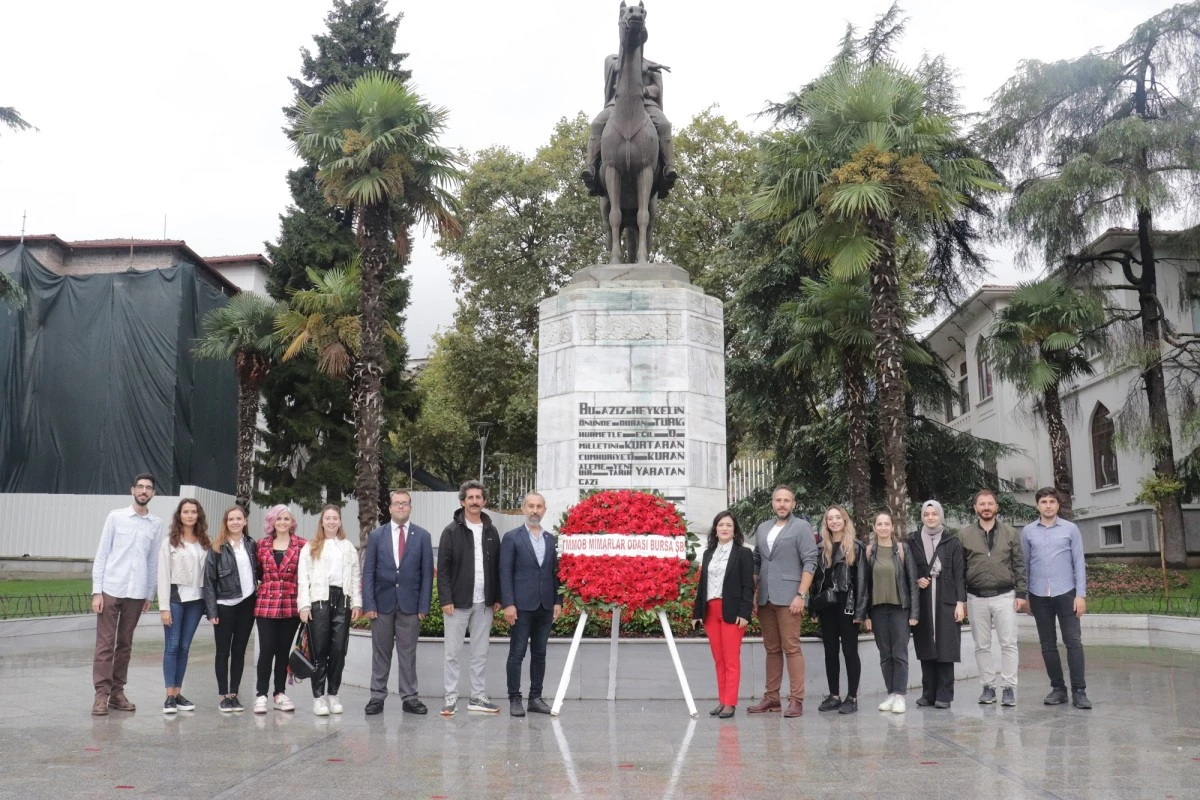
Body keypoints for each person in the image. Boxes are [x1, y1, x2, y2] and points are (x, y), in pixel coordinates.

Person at [91, 473, 165, 716]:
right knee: (105, 645)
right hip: (111, 588)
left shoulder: (156, 524)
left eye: (149, 488)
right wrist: (97, 592)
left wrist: (149, 594)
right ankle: (101, 695)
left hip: (136, 592)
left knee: (125, 645)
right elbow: (102, 554)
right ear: (132, 490)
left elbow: (153, 560)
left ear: (153, 493)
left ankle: (117, 693)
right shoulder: (116, 517)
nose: (144, 491)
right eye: (140, 487)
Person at [748, 485, 818, 718]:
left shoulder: (801, 527)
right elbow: (757, 561)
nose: (782, 504)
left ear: (793, 504)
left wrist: (801, 594)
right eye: (778, 500)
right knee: (772, 649)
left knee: (792, 647)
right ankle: (771, 698)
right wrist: (752, 591)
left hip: (790, 598)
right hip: (766, 597)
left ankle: (796, 699)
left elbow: (810, 561)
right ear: (772, 503)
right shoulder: (763, 528)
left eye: (786, 500)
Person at [363, 489, 433, 716]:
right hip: (381, 605)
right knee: (380, 653)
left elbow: (426, 574)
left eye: (405, 503)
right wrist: (369, 604)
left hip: (410, 606)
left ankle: (410, 697)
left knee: (407, 653)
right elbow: (368, 572)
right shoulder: (376, 536)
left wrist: (423, 606)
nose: (401, 507)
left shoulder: (422, 536)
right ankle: (377, 696)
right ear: (390, 508)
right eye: (397, 503)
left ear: (410, 507)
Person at [1021, 487, 1090, 709]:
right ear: (1037, 506)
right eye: (1044, 502)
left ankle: (1079, 691)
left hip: (1066, 593)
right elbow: (1025, 565)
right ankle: (1058, 689)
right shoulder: (1028, 532)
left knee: (1073, 642)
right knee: (1047, 644)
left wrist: (1080, 595)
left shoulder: (1071, 529)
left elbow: (1079, 563)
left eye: (1052, 501)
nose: (1048, 505)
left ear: (1058, 506)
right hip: (1039, 595)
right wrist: (1026, 596)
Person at [437, 480, 502, 716]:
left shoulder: (492, 531)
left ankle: (477, 697)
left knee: (480, 653)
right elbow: (442, 569)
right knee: (452, 653)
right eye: (470, 497)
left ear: (484, 501)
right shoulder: (451, 531)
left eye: (478, 497)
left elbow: (497, 567)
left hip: (484, 603)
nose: (475, 501)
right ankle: (451, 698)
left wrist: (497, 597)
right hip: (457, 603)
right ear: (463, 501)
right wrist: (446, 599)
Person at [958, 489, 1026, 706]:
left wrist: (1022, 593)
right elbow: (960, 569)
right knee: (982, 645)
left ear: (997, 507)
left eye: (990, 504)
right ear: (975, 508)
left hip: (1004, 596)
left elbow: (1019, 564)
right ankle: (988, 687)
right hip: (975, 597)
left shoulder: (1010, 533)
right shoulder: (965, 534)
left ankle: (1008, 688)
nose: (986, 507)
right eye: (981, 504)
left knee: (1008, 644)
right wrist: (962, 599)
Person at [500, 492, 562, 717]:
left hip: (545, 605)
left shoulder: (550, 538)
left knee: (540, 653)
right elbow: (505, 572)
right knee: (517, 653)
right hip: (521, 606)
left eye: (539, 506)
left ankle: (535, 698)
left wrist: (558, 600)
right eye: (531, 506)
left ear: (544, 510)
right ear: (523, 509)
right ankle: (515, 699)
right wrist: (508, 603)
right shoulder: (511, 537)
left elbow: (555, 572)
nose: (535, 510)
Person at [298, 505, 363, 717]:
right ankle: (319, 697)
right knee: (320, 650)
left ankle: (333, 693)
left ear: (340, 522)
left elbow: (355, 577)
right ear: (322, 521)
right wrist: (304, 605)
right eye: (328, 518)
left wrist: (356, 603)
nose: (332, 522)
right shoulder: (311, 547)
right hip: (319, 602)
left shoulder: (347, 547)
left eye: (335, 518)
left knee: (338, 651)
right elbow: (303, 579)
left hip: (341, 601)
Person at [691, 510, 754, 719]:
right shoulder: (708, 553)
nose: (724, 528)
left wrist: (745, 613)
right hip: (710, 612)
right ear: (715, 529)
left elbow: (748, 586)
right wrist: (697, 613)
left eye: (728, 525)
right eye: (720, 525)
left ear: (734, 530)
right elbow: (702, 585)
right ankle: (722, 700)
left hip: (733, 612)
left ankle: (730, 702)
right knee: (718, 659)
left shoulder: (743, 553)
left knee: (731, 659)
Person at [909, 500, 966, 709]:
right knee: (926, 645)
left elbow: (960, 574)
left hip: (947, 598)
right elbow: (909, 569)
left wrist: (961, 603)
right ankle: (928, 694)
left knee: (945, 646)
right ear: (922, 517)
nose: (930, 517)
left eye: (934, 514)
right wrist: (917, 580)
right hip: (923, 599)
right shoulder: (913, 540)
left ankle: (944, 695)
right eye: (927, 514)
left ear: (941, 516)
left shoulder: (951, 541)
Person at [811, 505, 868, 715]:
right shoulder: (820, 547)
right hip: (827, 605)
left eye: (837, 517)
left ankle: (852, 697)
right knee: (830, 652)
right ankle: (834, 695)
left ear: (845, 520)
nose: (834, 521)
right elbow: (816, 581)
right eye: (830, 518)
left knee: (850, 651)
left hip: (848, 605)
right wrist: (814, 609)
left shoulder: (856, 546)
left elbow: (862, 581)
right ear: (826, 522)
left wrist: (861, 612)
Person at [203, 505, 259, 713]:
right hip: (225, 605)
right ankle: (223, 695)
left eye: (239, 518)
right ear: (226, 523)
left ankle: (234, 694)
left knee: (239, 651)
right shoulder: (217, 547)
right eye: (231, 519)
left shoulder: (251, 545)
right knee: (223, 652)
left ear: (245, 522)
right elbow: (209, 581)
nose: (235, 522)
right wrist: (212, 611)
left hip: (247, 605)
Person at [864, 511, 919, 713]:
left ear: (892, 527)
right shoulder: (870, 551)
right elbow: (865, 585)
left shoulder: (902, 549)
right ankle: (891, 694)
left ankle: (900, 695)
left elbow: (912, 582)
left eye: (887, 524)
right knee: (885, 654)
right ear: (874, 527)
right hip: (878, 609)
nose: (883, 527)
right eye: (880, 524)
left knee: (900, 653)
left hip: (899, 609)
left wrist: (914, 613)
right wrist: (866, 614)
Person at [157, 498, 209, 714]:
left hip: (196, 602)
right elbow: (162, 575)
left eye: (193, 512)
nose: (189, 515)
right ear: (179, 515)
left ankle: (178, 693)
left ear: (198, 515)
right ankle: (169, 695)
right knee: (172, 646)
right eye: (185, 511)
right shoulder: (170, 541)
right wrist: (164, 607)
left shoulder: (204, 542)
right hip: (176, 600)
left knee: (185, 647)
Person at [252, 505, 305, 714]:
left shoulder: (302, 544)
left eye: (287, 519)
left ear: (292, 522)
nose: (283, 522)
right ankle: (261, 694)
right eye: (279, 518)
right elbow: (256, 572)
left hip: (290, 604)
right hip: (266, 603)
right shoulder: (262, 545)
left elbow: (305, 575)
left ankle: (280, 693)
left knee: (283, 650)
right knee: (266, 649)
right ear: (272, 521)